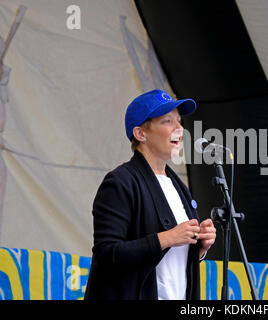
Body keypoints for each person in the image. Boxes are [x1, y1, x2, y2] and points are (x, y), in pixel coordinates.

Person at [84, 89, 216, 300]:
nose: (179, 128)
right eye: (167, 121)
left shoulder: (178, 187)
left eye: (179, 121)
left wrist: (199, 247)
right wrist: (168, 237)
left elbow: (174, 263)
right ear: (140, 134)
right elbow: (107, 254)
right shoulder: (120, 182)